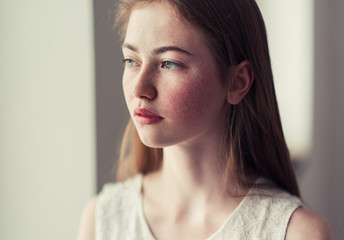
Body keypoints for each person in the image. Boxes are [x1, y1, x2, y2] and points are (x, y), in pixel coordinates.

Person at [78, 0, 334, 239]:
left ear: (238, 81)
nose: (139, 88)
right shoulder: (103, 221)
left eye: (169, 63)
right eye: (131, 60)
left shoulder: (296, 233)